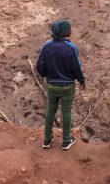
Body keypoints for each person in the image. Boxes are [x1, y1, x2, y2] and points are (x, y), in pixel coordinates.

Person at [36, 20, 85, 151]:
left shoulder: (46, 46)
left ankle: (47, 139)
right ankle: (65, 141)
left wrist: (46, 75)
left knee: (50, 110)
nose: (71, 31)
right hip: (67, 86)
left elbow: (39, 65)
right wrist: (81, 80)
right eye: (69, 29)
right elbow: (76, 67)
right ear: (66, 32)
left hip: (52, 85)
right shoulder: (71, 48)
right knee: (66, 112)